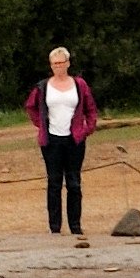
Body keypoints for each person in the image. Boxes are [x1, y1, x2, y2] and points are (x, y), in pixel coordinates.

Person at [23, 47, 98, 236]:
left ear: (68, 63)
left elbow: (91, 109)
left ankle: (75, 226)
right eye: (55, 64)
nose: (58, 67)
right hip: (51, 140)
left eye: (61, 63)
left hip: (74, 140)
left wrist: (86, 129)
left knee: (74, 183)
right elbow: (31, 107)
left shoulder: (79, 85)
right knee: (54, 183)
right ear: (51, 66)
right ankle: (54, 227)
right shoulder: (43, 87)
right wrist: (41, 125)